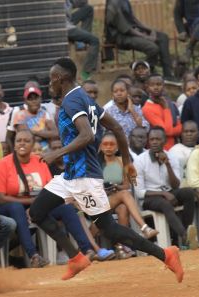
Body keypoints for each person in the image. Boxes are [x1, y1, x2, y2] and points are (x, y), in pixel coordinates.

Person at [29, 57, 184, 283]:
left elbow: (87, 135)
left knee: (109, 229)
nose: (49, 84)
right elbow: (117, 128)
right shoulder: (85, 98)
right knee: (37, 212)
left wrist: (57, 153)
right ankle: (76, 258)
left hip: (84, 177)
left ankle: (166, 254)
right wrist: (127, 162)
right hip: (71, 175)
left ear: (59, 78)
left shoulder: (72, 102)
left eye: (51, 79)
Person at [0, 130, 105, 267]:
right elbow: (1, 198)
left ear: (33, 144)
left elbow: (49, 190)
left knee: (66, 209)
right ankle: (34, 256)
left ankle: (87, 249)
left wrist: (36, 206)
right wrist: (32, 204)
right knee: (17, 209)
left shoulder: (40, 161)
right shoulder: (3, 164)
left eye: (26, 141)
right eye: (19, 140)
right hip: (10, 205)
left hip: (36, 204)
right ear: (14, 144)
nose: (22, 143)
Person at [135, 127, 198, 249]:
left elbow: (176, 185)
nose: (154, 142)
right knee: (165, 203)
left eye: (158, 139)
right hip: (150, 198)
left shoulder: (172, 157)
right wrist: (163, 194)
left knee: (189, 193)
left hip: (169, 191)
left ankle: (187, 230)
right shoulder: (140, 160)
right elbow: (139, 192)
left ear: (164, 141)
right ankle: (185, 236)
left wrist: (167, 165)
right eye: (152, 139)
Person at [99, 132, 159, 238]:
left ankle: (121, 246)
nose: (108, 147)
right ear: (100, 146)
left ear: (117, 147)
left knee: (123, 208)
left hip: (115, 198)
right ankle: (145, 228)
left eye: (112, 144)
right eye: (105, 144)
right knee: (124, 195)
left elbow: (127, 186)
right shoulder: (96, 163)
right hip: (99, 201)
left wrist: (117, 187)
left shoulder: (121, 161)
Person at [105, 0, 174, 79]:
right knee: (152, 48)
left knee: (163, 37)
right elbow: (126, 29)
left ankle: (168, 75)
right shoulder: (113, 4)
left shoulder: (124, 1)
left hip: (132, 32)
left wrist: (150, 30)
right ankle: (142, 73)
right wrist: (146, 37)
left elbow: (134, 20)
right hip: (121, 36)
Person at [142, 74, 182, 150]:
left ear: (163, 86)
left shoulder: (170, 103)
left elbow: (180, 126)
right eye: (152, 85)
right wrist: (166, 109)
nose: (156, 87)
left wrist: (171, 131)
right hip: (160, 149)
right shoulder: (147, 108)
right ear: (147, 88)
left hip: (174, 147)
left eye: (159, 84)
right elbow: (166, 131)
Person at [66, 0, 99, 80]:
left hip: (68, 20)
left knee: (88, 9)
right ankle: (86, 72)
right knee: (94, 40)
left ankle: (82, 43)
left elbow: (78, 2)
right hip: (65, 27)